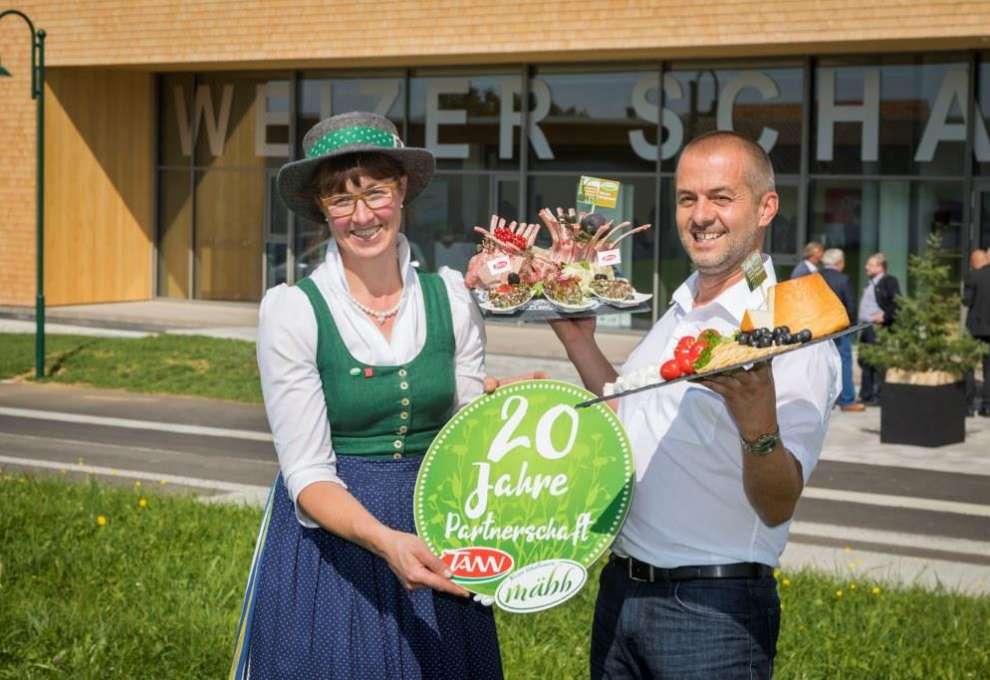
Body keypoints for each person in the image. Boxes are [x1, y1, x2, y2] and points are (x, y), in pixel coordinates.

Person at [549, 130, 840, 679]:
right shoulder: (681, 306)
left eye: (721, 198)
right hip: (621, 594)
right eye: (688, 199)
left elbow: (778, 503)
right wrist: (579, 342)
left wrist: (758, 425)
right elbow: (628, 419)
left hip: (713, 611)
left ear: (765, 207)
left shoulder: (788, 328)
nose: (701, 215)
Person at [230, 112, 503, 679]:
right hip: (336, 544)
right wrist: (385, 541)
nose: (361, 216)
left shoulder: (452, 298)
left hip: (438, 528)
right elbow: (306, 474)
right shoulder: (294, 310)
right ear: (321, 209)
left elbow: (469, 437)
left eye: (375, 193)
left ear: (401, 191)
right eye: (340, 200)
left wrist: (510, 409)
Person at [820, 248, 863, 412]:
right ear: (839, 263)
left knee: (821, 364)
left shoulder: (814, 277)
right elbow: (850, 305)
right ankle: (847, 400)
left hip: (819, 329)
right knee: (844, 363)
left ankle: (824, 401)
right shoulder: (843, 280)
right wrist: (851, 324)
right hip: (840, 328)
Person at [857, 252, 900, 405]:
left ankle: (878, 395)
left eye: (870, 265)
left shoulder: (888, 281)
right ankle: (866, 394)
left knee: (877, 363)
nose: (866, 267)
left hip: (877, 328)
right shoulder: (871, 282)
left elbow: (897, 303)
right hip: (867, 327)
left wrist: (885, 316)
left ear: (880, 267)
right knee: (865, 361)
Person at [964, 248, 990, 417]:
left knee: (968, 365)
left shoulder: (973, 276)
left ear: (974, 262)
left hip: (974, 328)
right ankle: (987, 406)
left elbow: (967, 300)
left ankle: (968, 405)